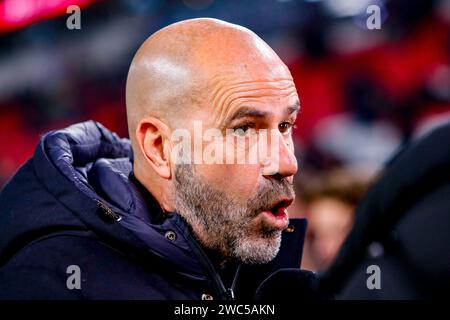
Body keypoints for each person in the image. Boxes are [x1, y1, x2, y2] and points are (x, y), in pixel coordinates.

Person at [0, 18, 307, 299]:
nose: (286, 163)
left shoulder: (259, 265)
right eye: (243, 130)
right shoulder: (48, 286)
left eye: (285, 126)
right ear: (160, 148)